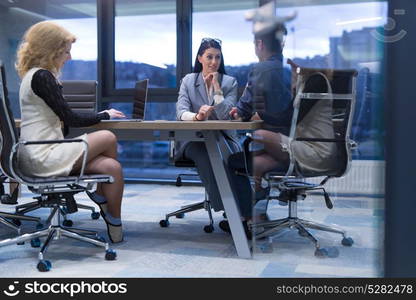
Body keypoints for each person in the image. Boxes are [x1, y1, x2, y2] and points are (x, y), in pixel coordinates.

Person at [15, 21, 126, 243]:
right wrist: (104, 114)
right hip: (42, 155)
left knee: (111, 167)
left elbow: (62, 121)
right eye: (65, 52)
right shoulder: (42, 77)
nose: (69, 57)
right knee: (107, 136)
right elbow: (71, 118)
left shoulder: (36, 75)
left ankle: (113, 218)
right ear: (51, 51)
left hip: (42, 152)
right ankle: (101, 195)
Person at [176, 38, 253, 219]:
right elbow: (180, 112)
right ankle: (231, 210)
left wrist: (217, 88)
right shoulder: (188, 80)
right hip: (193, 139)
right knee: (206, 152)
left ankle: (246, 210)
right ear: (199, 58)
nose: (214, 62)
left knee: (229, 158)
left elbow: (226, 115)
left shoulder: (229, 82)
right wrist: (197, 117)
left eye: (218, 57)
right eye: (209, 57)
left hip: (224, 137)